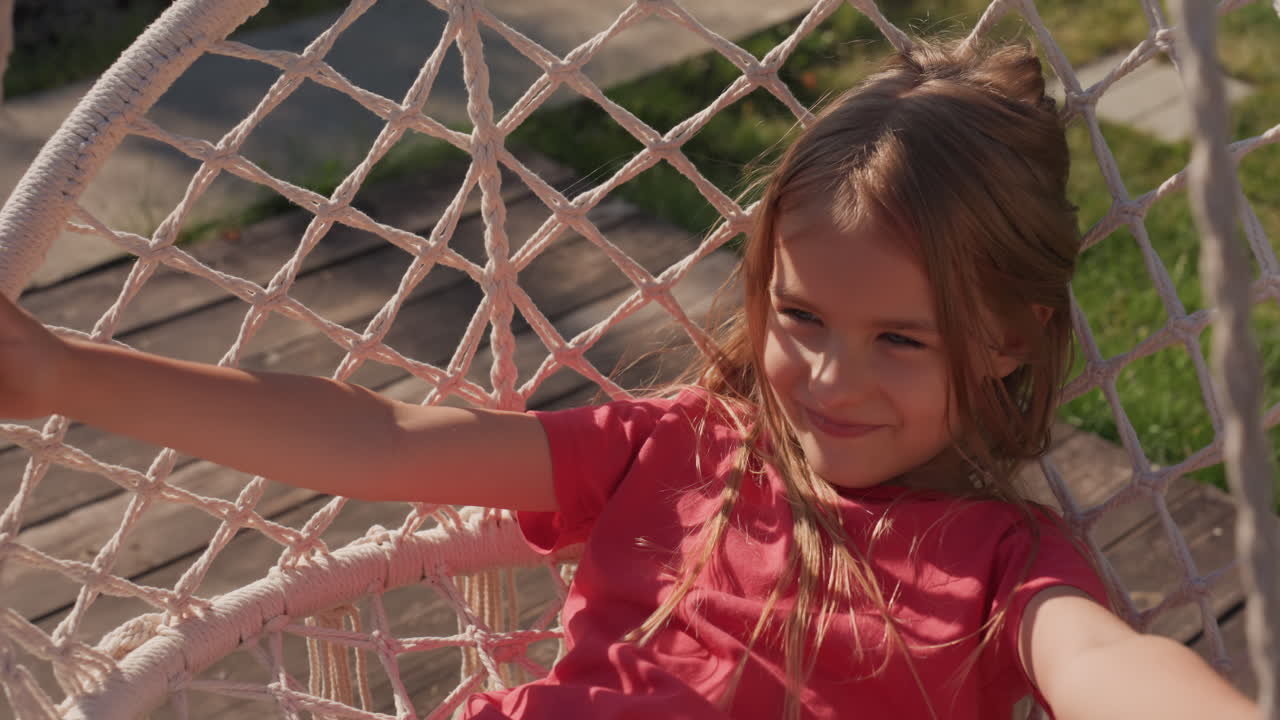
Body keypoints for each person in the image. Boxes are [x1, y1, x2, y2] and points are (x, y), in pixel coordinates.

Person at [0, 36, 1259, 720]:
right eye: (799, 313)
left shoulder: (998, 563)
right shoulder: (678, 448)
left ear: (1004, 342)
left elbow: (1104, 667)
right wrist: (63, 371)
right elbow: (385, 441)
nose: (826, 376)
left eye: (899, 340)